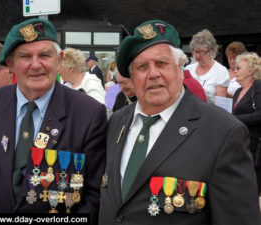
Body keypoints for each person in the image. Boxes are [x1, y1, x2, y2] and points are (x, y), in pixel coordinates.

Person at [99, 19, 261, 225]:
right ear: (131, 77)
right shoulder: (117, 122)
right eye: (142, 67)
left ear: (180, 68)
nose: (153, 74)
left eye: (162, 63)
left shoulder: (223, 132)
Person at [0, 18, 107, 224]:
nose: (36, 64)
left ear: (60, 60)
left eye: (45, 55)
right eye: (25, 56)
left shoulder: (89, 113)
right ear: (10, 64)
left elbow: (94, 195)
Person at [232, 52, 261, 194]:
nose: (235, 71)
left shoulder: (258, 87)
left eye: (239, 68)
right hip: (241, 143)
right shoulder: (238, 92)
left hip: (255, 144)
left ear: (250, 71)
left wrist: (235, 120)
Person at [186, 29, 229, 104]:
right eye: (195, 51)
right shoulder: (189, 69)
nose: (197, 56)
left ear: (212, 50)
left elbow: (221, 105)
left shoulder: (221, 71)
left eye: (202, 52)